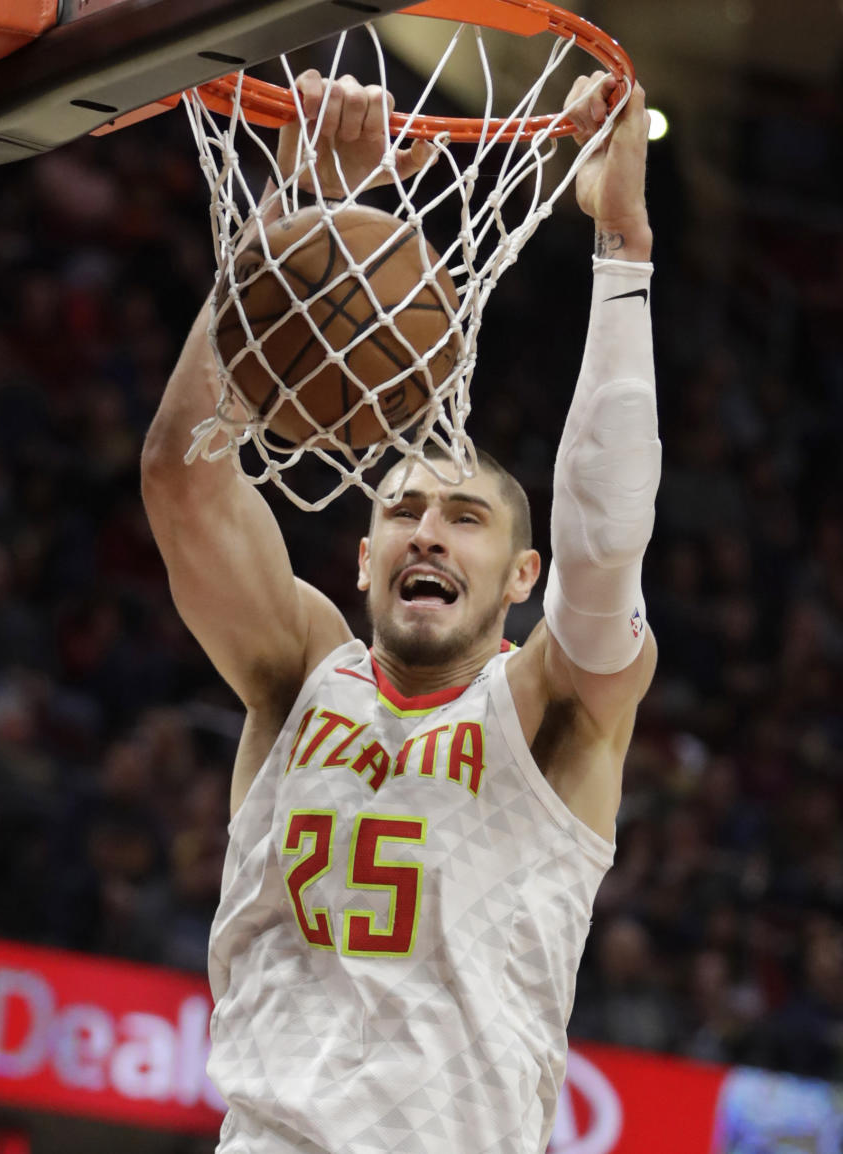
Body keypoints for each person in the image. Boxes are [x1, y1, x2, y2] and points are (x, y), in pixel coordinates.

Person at [141, 67, 659, 1153]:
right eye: (406, 510)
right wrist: (290, 224)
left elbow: (607, 544)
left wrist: (623, 247)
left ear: (524, 578)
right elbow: (183, 477)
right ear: (363, 554)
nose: (429, 528)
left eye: (467, 517)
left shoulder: (551, 715)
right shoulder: (299, 672)